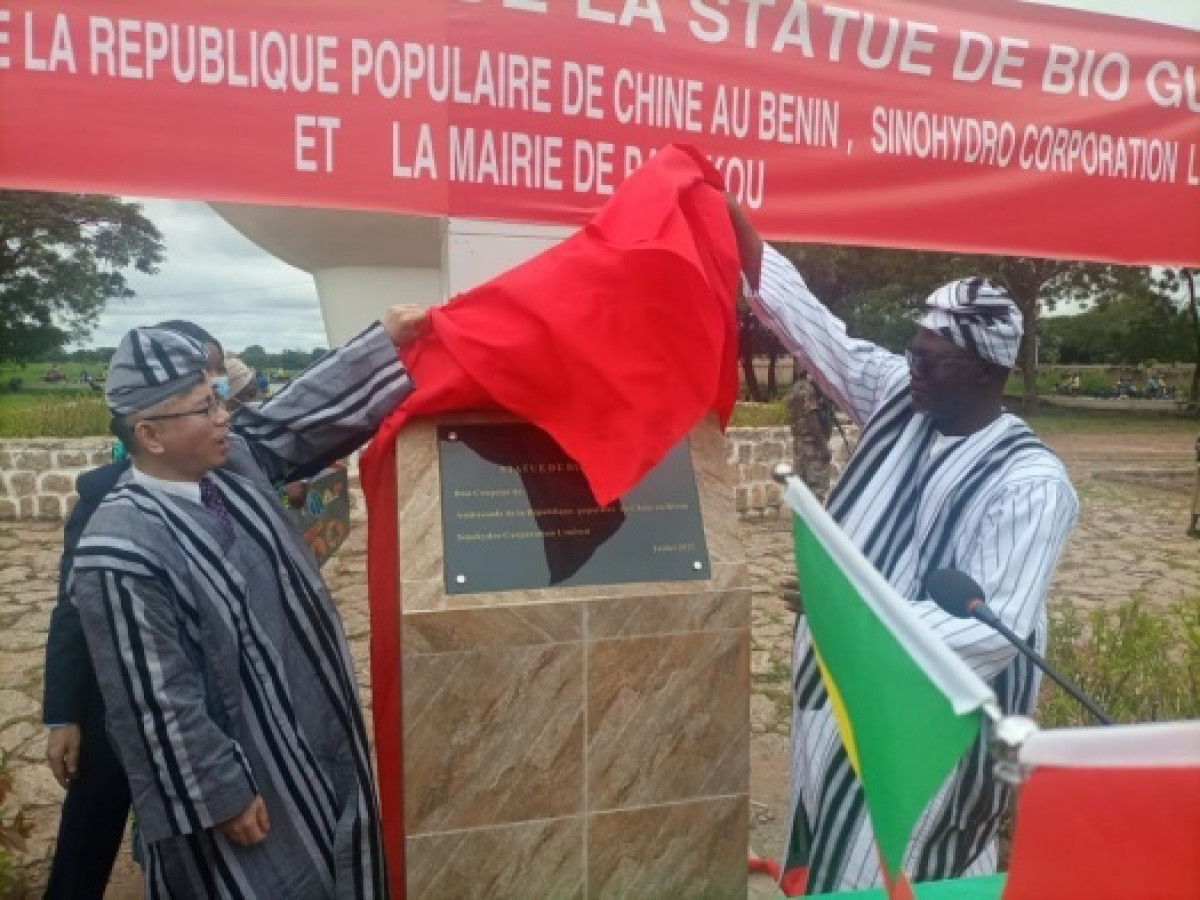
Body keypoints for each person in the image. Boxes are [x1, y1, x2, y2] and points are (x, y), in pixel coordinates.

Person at [727, 199, 1079, 894]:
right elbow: (816, 330)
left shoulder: (1031, 483)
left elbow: (992, 628)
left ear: (985, 373)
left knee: (907, 867)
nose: (912, 367)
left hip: (928, 733)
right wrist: (735, 227)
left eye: (933, 361)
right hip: (843, 693)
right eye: (914, 352)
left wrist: (847, 610)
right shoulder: (900, 397)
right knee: (830, 838)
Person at [69, 307, 425, 898]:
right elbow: (156, 699)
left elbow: (302, 411)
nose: (222, 419)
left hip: (314, 726)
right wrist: (220, 796)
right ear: (150, 433)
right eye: (204, 408)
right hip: (246, 773)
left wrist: (388, 342)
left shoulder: (235, 468)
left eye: (219, 400)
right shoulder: (121, 546)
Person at [42, 321, 227, 900]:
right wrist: (63, 714)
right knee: (92, 822)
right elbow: (70, 610)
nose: (221, 409)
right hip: (112, 703)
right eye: (204, 395)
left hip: (200, 697)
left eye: (217, 388)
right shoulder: (105, 496)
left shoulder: (224, 474)